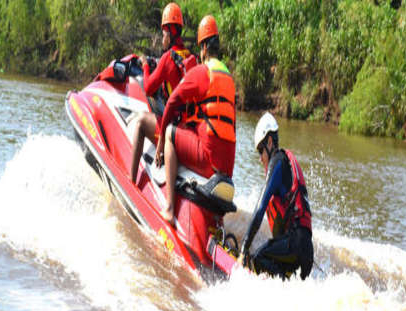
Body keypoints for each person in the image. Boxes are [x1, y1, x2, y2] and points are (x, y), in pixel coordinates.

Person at [156, 15, 236, 225]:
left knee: (170, 133)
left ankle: (169, 208)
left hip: (209, 161)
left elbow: (172, 103)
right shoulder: (227, 76)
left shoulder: (202, 71)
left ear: (202, 48)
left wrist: (159, 144)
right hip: (228, 166)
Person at [238, 112, 313, 280]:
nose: (260, 159)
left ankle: (284, 286)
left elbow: (259, 210)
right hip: (305, 250)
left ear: (269, 143)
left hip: (295, 244)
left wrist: (243, 249)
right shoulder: (286, 163)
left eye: (260, 151)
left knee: (258, 258)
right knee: (275, 265)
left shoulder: (277, 162)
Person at [130, 2, 196, 183]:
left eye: (163, 33)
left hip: (172, 130)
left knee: (141, 121)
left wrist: (145, 65)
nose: (162, 38)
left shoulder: (167, 58)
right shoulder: (191, 58)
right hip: (188, 131)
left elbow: (149, 87)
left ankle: (131, 180)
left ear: (169, 33)